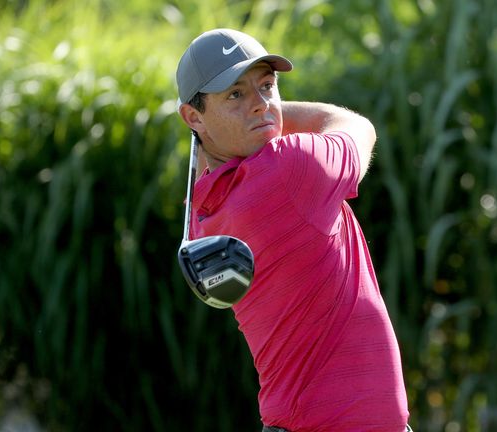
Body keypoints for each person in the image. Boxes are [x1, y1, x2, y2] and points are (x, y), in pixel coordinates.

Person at [176, 28, 411, 432]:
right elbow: (353, 125)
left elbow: (211, 161)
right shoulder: (291, 168)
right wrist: (272, 114)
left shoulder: (201, 212)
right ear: (193, 116)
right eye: (235, 94)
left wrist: (237, 118)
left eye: (267, 86)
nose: (260, 103)